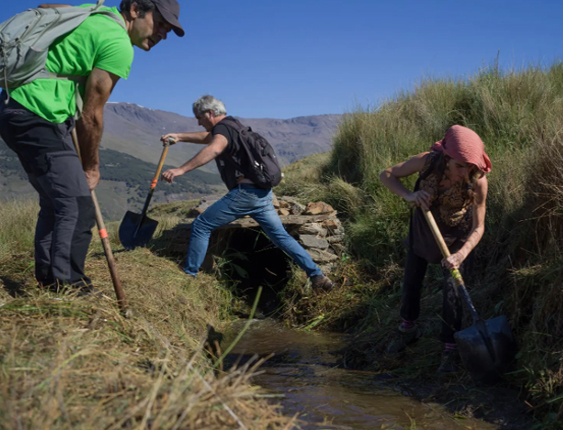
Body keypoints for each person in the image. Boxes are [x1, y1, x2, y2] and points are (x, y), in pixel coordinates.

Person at [0, 0, 184, 293]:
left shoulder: (95, 14)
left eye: (169, 30)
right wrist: (91, 166)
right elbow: (92, 115)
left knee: (55, 202)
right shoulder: (118, 42)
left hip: (15, 108)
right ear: (135, 10)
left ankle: (49, 280)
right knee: (77, 202)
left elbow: (49, 6)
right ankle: (69, 285)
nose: (163, 34)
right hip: (38, 114)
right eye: (160, 23)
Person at [159, 95, 335, 291]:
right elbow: (208, 138)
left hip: (246, 194)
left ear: (210, 113)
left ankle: (189, 276)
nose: (198, 122)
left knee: (202, 224)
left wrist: (180, 170)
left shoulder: (222, 130)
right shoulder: (233, 126)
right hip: (263, 193)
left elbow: (214, 147)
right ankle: (317, 276)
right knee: (281, 237)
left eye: (199, 117)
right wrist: (180, 136)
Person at [379, 125, 491, 373]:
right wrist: (409, 195)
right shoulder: (428, 161)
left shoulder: (478, 181)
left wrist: (461, 255)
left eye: (470, 167)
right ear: (447, 157)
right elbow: (386, 174)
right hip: (423, 228)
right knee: (411, 282)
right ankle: (408, 330)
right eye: (460, 166)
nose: (465, 172)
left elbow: (478, 227)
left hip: (457, 236)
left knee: (452, 292)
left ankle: (450, 348)